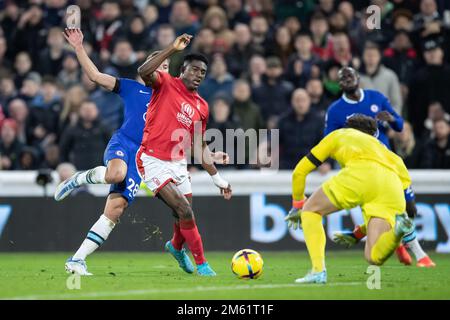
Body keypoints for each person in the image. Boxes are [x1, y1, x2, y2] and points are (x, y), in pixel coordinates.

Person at [54, 28, 168, 275]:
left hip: (142, 158)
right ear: (148, 68)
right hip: (123, 143)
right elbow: (95, 76)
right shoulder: (131, 88)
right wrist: (78, 47)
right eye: (159, 65)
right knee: (116, 174)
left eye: (167, 66)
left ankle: (76, 260)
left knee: (115, 211)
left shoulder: (172, 101)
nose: (162, 70)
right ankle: (79, 178)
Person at [136, 34, 232, 276]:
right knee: (184, 210)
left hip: (178, 162)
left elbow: (198, 146)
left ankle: (176, 247)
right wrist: (172, 48)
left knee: (183, 213)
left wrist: (216, 178)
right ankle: (202, 264)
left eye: (203, 72)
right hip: (152, 160)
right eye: (195, 69)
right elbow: (143, 70)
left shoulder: (202, 106)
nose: (199, 74)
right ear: (183, 70)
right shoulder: (165, 83)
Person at [285, 114, 416, 284]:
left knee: (311, 210)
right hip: (392, 187)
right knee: (373, 257)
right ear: (374, 135)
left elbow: (299, 172)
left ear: (348, 127)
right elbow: (405, 185)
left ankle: (318, 271)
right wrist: (359, 233)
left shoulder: (340, 134)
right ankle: (398, 231)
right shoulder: (387, 152)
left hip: (359, 174)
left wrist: (298, 205)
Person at [325, 67, 435, 267]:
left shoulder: (376, 98)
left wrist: (392, 119)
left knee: (407, 205)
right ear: (339, 85)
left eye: (351, 75)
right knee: (388, 209)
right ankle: (418, 254)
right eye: (343, 78)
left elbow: (400, 125)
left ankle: (396, 244)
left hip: (386, 161)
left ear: (359, 78)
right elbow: (328, 141)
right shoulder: (335, 110)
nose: (347, 79)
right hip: (359, 168)